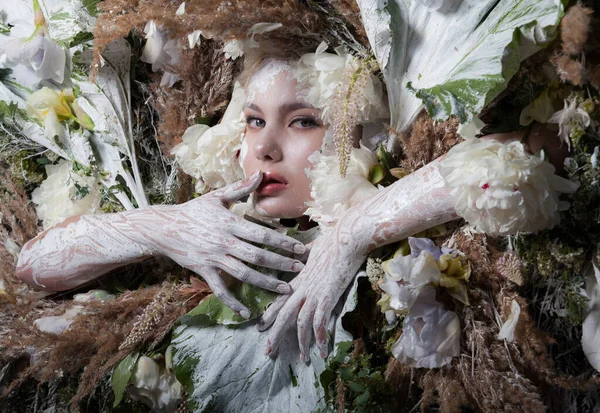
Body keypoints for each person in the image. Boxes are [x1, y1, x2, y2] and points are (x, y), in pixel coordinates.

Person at [15, 50, 571, 365]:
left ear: (365, 135)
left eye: (302, 120)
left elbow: (532, 150)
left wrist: (354, 230)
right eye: (254, 120)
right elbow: (33, 268)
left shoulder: (401, 210)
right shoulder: (210, 214)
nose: (265, 146)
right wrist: (164, 226)